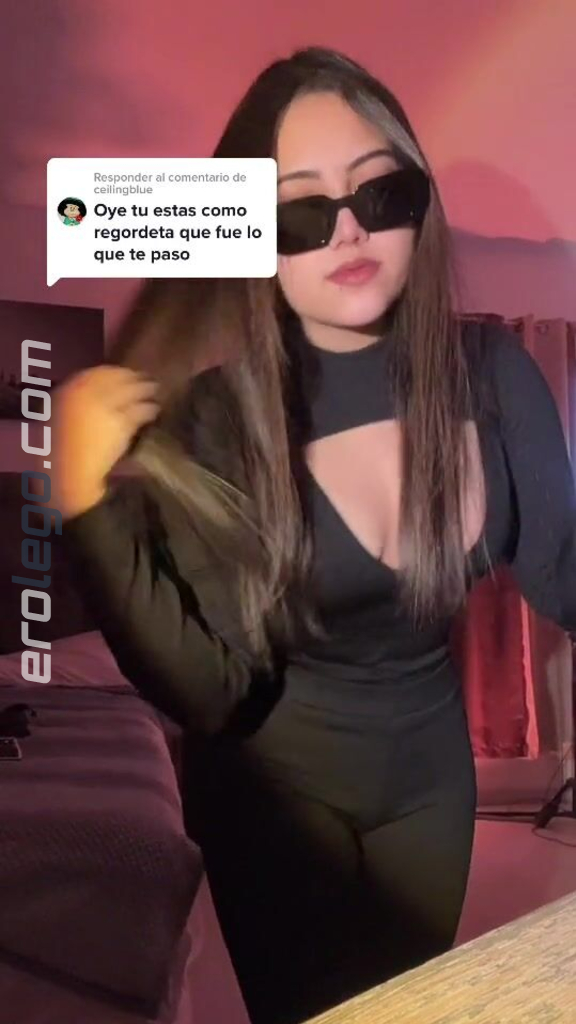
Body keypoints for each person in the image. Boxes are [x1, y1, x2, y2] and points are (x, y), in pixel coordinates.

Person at [50, 47, 576, 1024]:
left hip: (430, 783)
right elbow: (209, 689)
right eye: (299, 210)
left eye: (381, 193)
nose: (347, 229)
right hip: (271, 793)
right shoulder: (213, 420)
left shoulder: (497, 373)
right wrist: (86, 504)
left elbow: (562, 568)